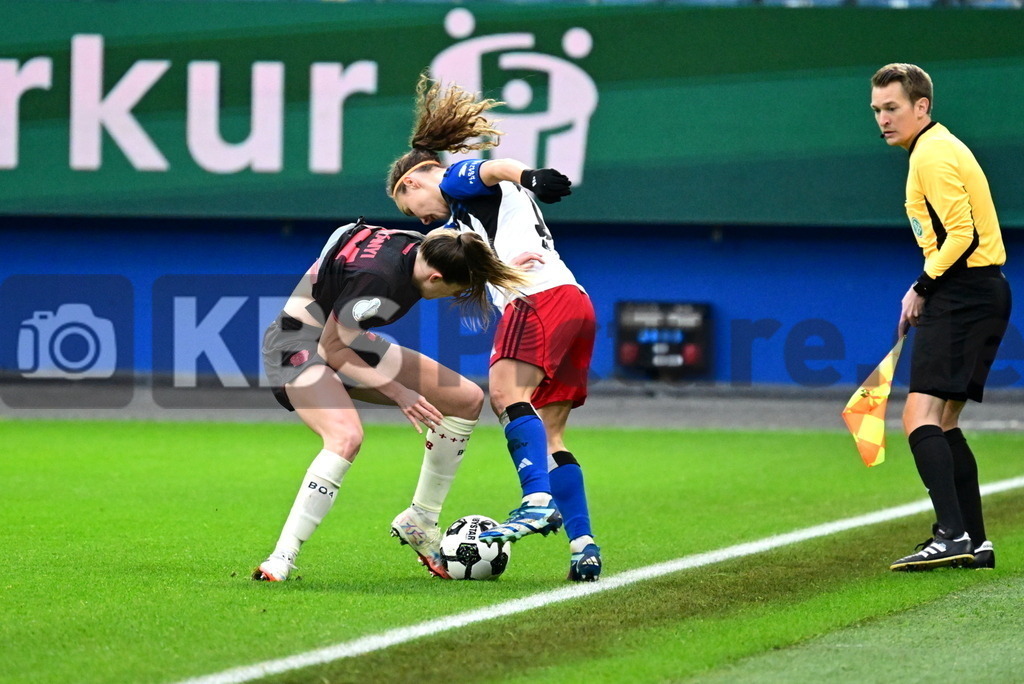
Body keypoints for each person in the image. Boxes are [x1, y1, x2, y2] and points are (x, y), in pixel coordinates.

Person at [385, 73, 602, 582]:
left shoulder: (451, 179)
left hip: (538, 301)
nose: (418, 218)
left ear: (413, 182)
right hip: (574, 301)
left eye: (408, 207)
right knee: (551, 432)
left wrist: (529, 176)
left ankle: (536, 501)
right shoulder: (466, 221)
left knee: (505, 393)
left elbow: (493, 169)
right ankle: (583, 544)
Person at [253, 218, 528, 581]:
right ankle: (281, 558)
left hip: (349, 340)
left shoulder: (420, 245)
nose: (448, 297)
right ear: (435, 278)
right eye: (452, 290)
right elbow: (331, 348)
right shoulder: (379, 281)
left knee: (464, 398)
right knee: (345, 437)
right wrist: (399, 393)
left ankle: (422, 520)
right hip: (297, 345)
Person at [869, 63, 1012, 572]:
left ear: (921, 106)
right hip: (982, 290)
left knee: (917, 416)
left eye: (893, 108)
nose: (883, 119)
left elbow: (963, 235)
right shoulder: (938, 147)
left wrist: (922, 286)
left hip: (964, 292)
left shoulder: (930, 153)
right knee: (945, 421)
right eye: (878, 110)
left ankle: (951, 534)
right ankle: (974, 538)